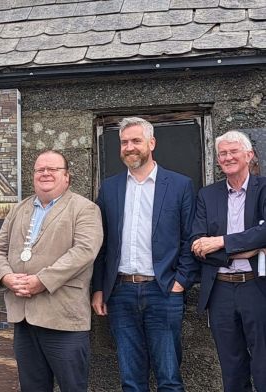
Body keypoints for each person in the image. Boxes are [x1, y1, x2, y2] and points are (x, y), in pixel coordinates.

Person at [92, 117, 198, 392]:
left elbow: (190, 238)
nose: (130, 147)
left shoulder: (179, 185)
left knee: (170, 379)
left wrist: (180, 282)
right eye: (124, 142)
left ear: (151, 143)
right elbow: (102, 245)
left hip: (163, 291)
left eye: (136, 141)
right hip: (121, 293)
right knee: (131, 380)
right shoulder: (110, 188)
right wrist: (99, 289)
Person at [0, 150, 103, 392]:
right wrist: (6, 277)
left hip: (63, 318)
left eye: (53, 169)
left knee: (73, 387)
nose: (46, 173)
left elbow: (84, 251)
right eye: (40, 169)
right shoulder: (18, 210)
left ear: (67, 177)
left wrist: (42, 280)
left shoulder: (85, 209)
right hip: (24, 318)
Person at [190, 130, 266, 392]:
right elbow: (198, 243)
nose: (228, 157)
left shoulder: (264, 189)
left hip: (257, 287)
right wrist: (250, 248)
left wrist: (222, 242)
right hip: (220, 289)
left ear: (249, 155)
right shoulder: (207, 195)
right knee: (231, 367)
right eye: (222, 153)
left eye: (233, 151)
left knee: (264, 364)